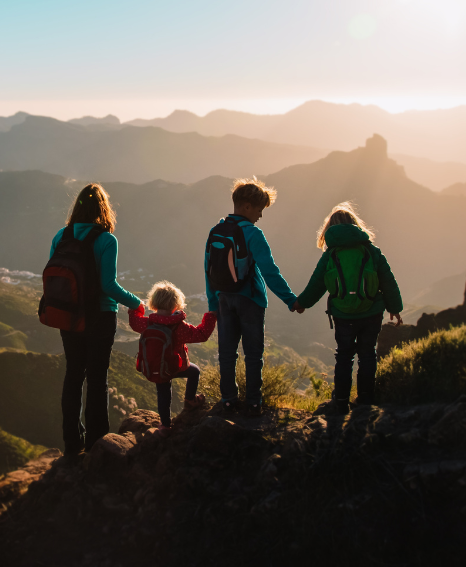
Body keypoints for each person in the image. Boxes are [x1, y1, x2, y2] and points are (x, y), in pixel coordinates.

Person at [50, 183, 142, 458]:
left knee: (73, 375)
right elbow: (108, 285)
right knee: (97, 379)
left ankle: (71, 442)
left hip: (68, 316)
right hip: (99, 316)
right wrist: (136, 302)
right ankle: (96, 444)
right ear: (104, 208)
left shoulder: (61, 236)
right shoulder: (106, 240)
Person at [294, 201, 403, 414]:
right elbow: (388, 280)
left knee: (344, 356)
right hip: (371, 312)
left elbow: (317, 284)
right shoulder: (371, 250)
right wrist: (394, 308)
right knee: (367, 354)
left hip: (343, 314)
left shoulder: (331, 254)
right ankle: (365, 401)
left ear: (330, 229)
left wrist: (301, 304)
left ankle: (341, 402)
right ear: (355, 225)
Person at [205, 177, 298, 417]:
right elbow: (269, 271)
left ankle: (228, 400)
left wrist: (213, 304)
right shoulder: (253, 234)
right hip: (251, 300)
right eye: (259, 209)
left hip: (224, 299)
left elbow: (208, 270)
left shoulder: (216, 231)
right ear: (246, 206)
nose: (260, 215)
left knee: (227, 353)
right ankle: (254, 403)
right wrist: (290, 299)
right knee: (253, 354)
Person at [129, 281, 216, 432]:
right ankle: (189, 400)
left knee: (163, 394)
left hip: (156, 367)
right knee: (194, 371)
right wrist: (211, 316)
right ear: (176, 305)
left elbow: (134, 322)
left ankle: (165, 426)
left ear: (154, 303)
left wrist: (136, 307)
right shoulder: (179, 326)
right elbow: (201, 334)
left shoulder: (147, 323)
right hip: (176, 366)